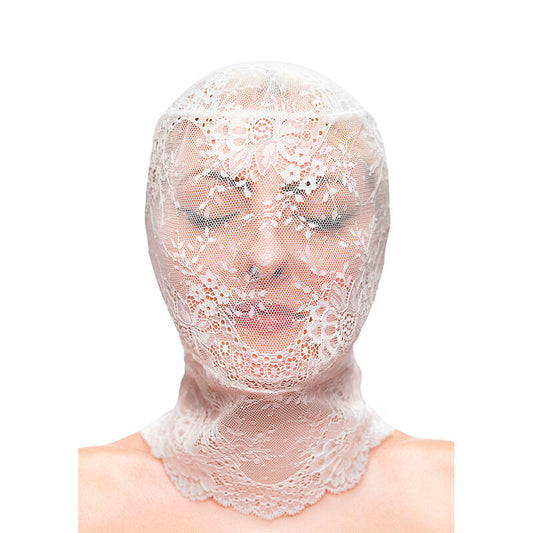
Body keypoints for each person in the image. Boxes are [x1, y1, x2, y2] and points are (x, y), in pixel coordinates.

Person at [79, 61, 453, 532]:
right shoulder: (72, 502)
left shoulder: (462, 499)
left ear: (378, 236)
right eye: (212, 211)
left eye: (323, 215)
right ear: (154, 230)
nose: (266, 255)